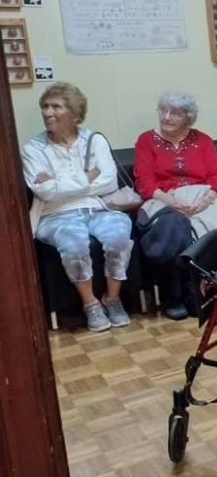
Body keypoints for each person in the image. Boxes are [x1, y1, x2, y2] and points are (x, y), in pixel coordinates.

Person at [21, 82, 134, 332]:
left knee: (118, 237)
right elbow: (44, 191)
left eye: (56, 107)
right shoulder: (33, 149)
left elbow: (108, 181)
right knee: (74, 244)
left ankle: (112, 299)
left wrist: (60, 184)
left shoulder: (95, 140)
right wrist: (87, 178)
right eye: (45, 107)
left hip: (100, 207)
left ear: (75, 115)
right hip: (55, 214)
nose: (48, 113)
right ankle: (90, 303)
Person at [135, 91, 217, 320]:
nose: (166, 117)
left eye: (174, 113)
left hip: (202, 195)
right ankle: (179, 293)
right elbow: (144, 182)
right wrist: (170, 200)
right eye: (163, 110)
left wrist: (207, 198)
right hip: (161, 198)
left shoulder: (202, 140)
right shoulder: (146, 141)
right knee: (174, 225)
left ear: (188, 117)